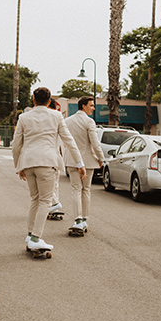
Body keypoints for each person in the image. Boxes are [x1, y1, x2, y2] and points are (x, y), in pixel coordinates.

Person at [12, 87, 85, 251]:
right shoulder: (57, 116)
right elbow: (69, 142)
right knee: (45, 201)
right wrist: (79, 163)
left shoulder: (24, 117)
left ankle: (30, 234)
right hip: (47, 162)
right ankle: (36, 237)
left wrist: (19, 166)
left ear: (33, 99)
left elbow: (16, 145)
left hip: (28, 162)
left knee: (35, 199)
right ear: (50, 100)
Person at [64, 96, 104, 233]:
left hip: (71, 160)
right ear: (83, 106)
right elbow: (95, 143)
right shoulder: (89, 122)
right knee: (86, 189)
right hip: (87, 161)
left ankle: (77, 219)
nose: (93, 108)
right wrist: (101, 158)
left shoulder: (67, 121)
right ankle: (84, 219)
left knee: (75, 189)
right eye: (91, 105)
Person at [47, 98, 65, 216]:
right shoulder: (58, 118)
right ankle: (54, 207)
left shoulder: (50, 118)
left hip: (49, 157)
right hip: (57, 157)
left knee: (47, 185)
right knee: (55, 184)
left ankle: (54, 204)